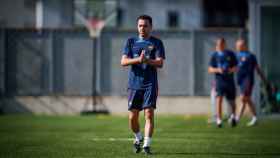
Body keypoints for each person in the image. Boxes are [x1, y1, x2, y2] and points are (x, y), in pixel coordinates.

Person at [120, 15, 165, 155]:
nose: (142, 28)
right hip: (134, 84)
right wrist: (138, 60)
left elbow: (160, 63)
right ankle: (138, 137)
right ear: (137, 27)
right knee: (132, 117)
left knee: (149, 114)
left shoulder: (157, 43)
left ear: (151, 27)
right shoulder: (130, 42)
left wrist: (147, 61)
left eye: (145, 25)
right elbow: (123, 62)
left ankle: (146, 145)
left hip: (150, 84)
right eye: (140, 25)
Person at [235, 39, 267, 126]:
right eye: (237, 45)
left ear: (244, 45)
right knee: (247, 99)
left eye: (239, 45)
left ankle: (237, 118)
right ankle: (255, 117)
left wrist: (263, 78)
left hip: (248, 79)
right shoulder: (236, 55)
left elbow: (257, 68)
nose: (237, 47)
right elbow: (234, 68)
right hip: (240, 80)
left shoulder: (250, 56)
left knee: (243, 98)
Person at [208, 37, 238, 128]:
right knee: (219, 99)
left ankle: (233, 116)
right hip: (220, 81)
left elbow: (236, 67)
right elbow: (210, 69)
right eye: (218, 44)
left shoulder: (230, 54)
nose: (220, 45)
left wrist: (230, 70)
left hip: (230, 81)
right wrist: (218, 70)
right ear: (217, 45)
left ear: (224, 44)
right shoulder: (214, 55)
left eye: (222, 43)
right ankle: (219, 120)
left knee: (232, 100)